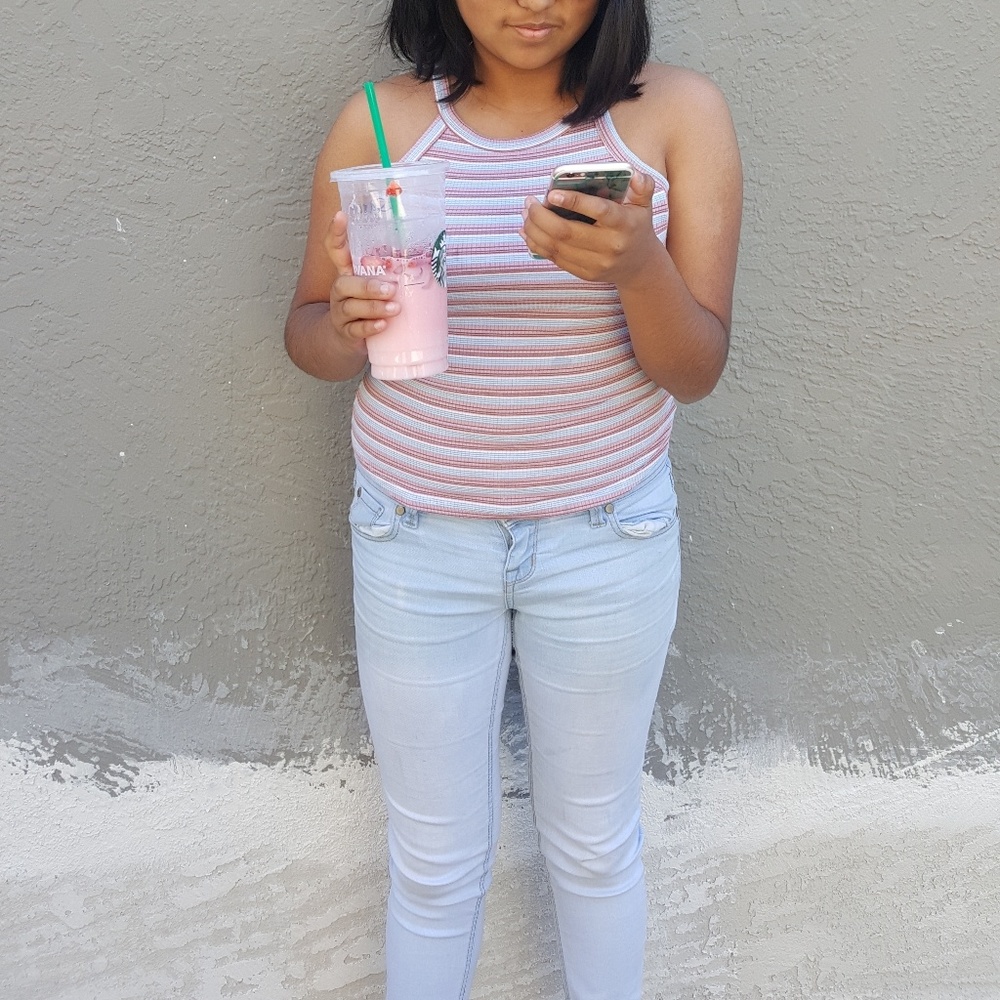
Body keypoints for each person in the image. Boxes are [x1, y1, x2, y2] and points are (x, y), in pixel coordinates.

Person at [284, 0, 742, 996]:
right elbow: (309, 336)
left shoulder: (676, 116)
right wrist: (350, 325)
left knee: (591, 846)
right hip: (413, 532)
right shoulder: (382, 122)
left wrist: (640, 269)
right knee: (434, 865)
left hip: (606, 533)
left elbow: (694, 367)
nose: (531, 2)